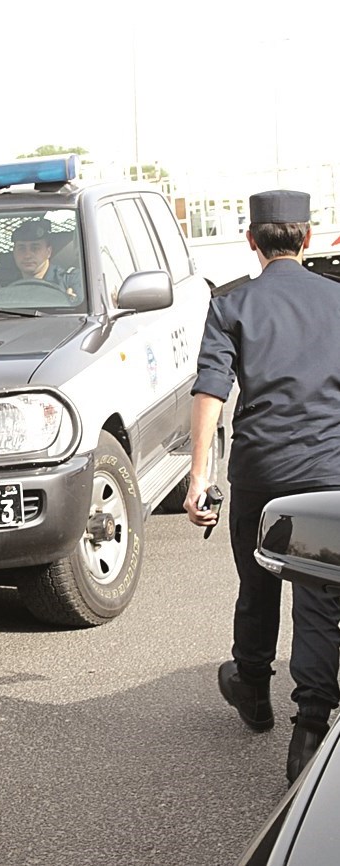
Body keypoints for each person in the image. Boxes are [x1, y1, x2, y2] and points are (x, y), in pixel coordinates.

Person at [185, 189, 340, 785]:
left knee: (258, 580)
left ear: (251, 240)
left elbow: (210, 392)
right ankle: (311, 723)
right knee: (321, 595)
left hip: (261, 472)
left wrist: (199, 477)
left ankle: (252, 688)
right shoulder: (336, 299)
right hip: (330, 471)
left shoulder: (231, 304)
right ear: (308, 236)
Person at [9, 218, 81, 299]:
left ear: (48, 252)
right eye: (21, 248)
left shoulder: (71, 281)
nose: (27, 255)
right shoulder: (6, 285)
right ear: (14, 252)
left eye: (35, 248)